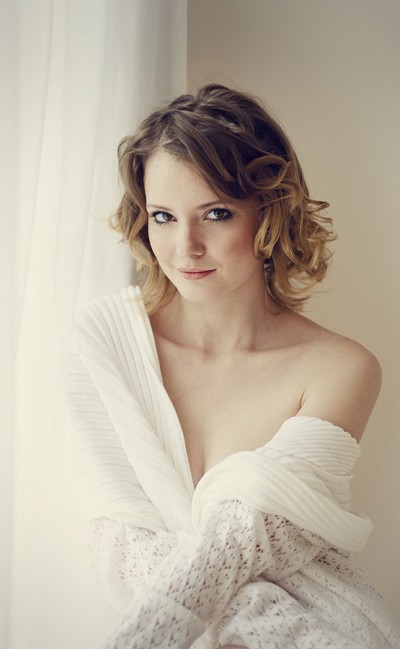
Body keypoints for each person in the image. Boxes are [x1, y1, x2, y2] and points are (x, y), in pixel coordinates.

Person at [66, 84, 400, 648]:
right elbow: (116, 547)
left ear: (270, 215)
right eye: (163, 216)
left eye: (216, 214)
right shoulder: (107, 342)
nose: (185, 247)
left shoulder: (342, 368)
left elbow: (249, 539)